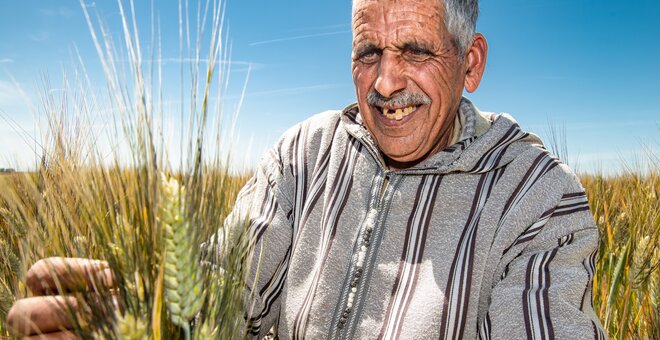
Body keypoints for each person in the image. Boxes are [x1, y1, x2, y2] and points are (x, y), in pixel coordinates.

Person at [7, 0, 608, 338]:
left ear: (470, 62)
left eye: (416, 51)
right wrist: (131, 320)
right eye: (367, 52)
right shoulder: (304, 153)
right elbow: (225, 286)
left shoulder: (538, 199)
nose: (386, 82)